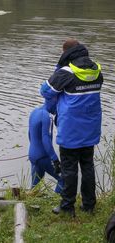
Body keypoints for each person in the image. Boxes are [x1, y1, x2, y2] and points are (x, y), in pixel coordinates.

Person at [40, 38, 103, 216]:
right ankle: (89, 205)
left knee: (69, 169)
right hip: (90, 129)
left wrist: (57, 69)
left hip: (71, 131)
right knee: (87, 166)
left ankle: (68, 206)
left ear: (65, 53)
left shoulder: (66, 72)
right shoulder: (96, 69)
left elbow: (45, 91)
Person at [28, 105, 64, 193]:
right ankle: (56, 202)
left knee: (35, 184)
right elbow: (45, 139)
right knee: (63, 178)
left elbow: (29, 134)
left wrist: (35, 150)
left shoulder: (34, 112)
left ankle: (30, 201)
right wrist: (55, 159)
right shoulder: (47, 116)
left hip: (33, 155)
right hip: (43, 156)